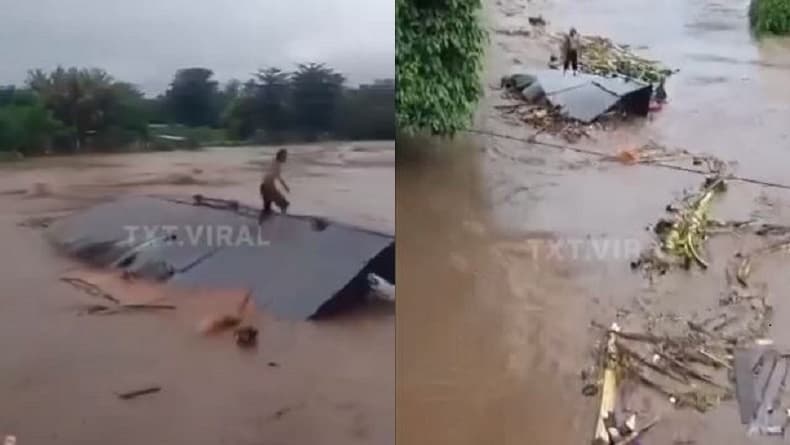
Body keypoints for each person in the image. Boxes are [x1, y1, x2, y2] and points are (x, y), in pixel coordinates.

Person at [258, 148, 290, 223]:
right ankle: (283, 220)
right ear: (280, 157)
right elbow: (275, 177)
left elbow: (272, 176)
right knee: (284, 204)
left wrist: (285, 187)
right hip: (268, 188)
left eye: (286, 156)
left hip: (263, 187)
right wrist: (285, 187)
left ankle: (261, 222)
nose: (286, 158)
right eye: (284, 156)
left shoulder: (274, 162)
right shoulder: (277, 165)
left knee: (267, 209)